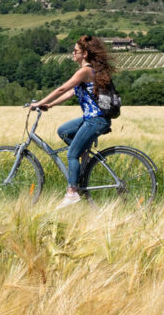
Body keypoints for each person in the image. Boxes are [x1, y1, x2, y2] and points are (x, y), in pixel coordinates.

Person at [31, 35, 115, 208]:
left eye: (75, 51)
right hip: (91, 119)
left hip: (95, 120)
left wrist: (39, 102)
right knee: (63, 131)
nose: (72, 53)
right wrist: (50, 104)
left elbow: (63, 88)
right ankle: (82, 154)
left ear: (84, 54)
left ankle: (72, 192)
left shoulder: (85, 71)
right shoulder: (88, 72)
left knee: (71, 154)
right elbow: (72, 93)